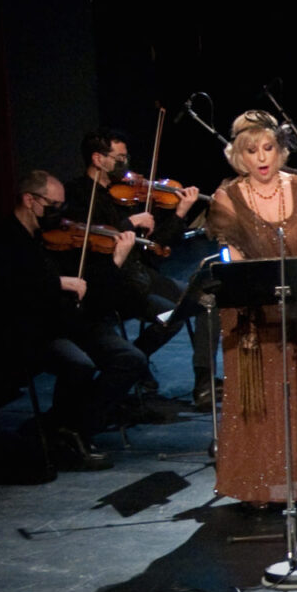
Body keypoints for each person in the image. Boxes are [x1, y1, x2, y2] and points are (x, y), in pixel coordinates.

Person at [205, 111, 297, 507]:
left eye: (268, 148)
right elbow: (230, 252)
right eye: (251, 151)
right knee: (262, 401)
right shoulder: (227, 197)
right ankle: (264, 486)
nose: (261, 158)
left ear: (279, 149)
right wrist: (251, 283)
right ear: (239, 155)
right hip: (254, 317)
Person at [0, 170, 144, 471]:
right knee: (79, 364)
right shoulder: (2, 238)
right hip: (30, 329)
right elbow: (9, 288)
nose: (60, 213)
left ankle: (69, 428)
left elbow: (91, 284)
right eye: (54, 205)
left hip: (68, 321)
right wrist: (57, 283)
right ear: (29, 200)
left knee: (130, 359)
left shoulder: (53, 237)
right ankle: (67, 434)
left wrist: (115, 261)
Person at [67, 128, 214, 406]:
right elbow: (88, 237)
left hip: (140, 274)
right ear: (98, 159)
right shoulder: (78, 194)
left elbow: (157, 244)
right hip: (110, 280)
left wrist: (181, 212)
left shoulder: (125, 195)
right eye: (119, 158)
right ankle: (136, 361)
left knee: (203, 299)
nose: (126, 165)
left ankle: (201, 380)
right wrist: (129, 224)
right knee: (171, 317)